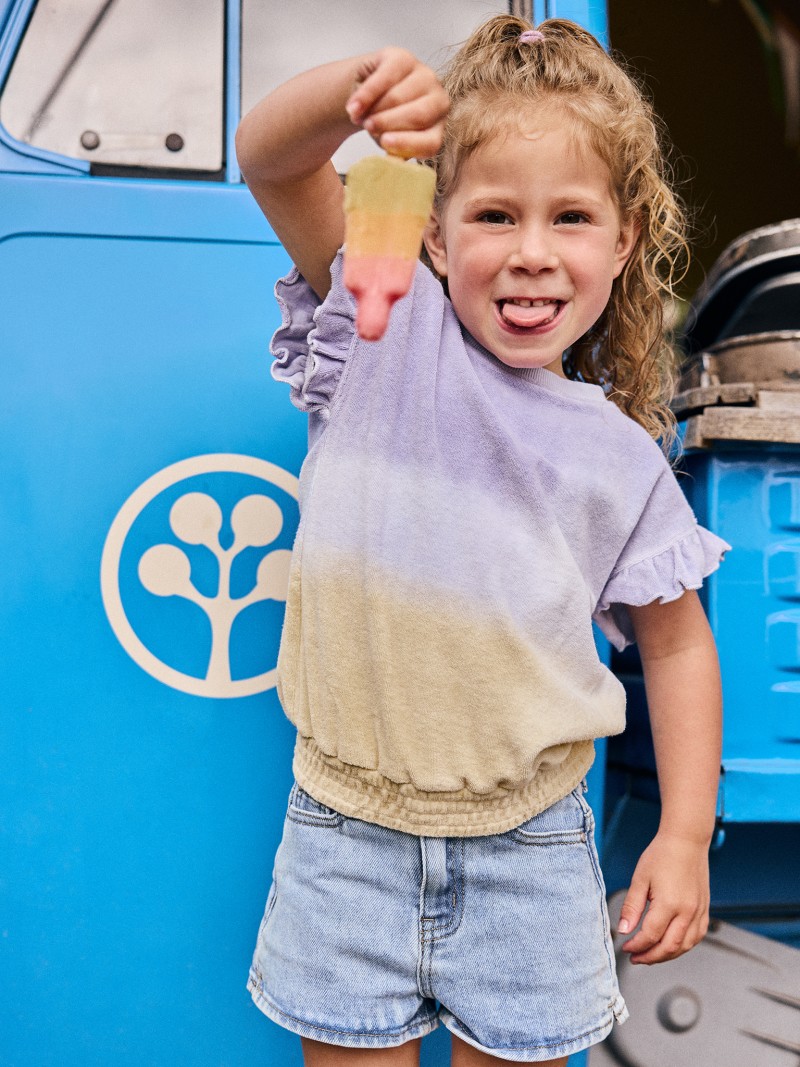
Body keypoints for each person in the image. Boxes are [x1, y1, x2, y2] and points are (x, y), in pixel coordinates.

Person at [236, 15, 728, 1067]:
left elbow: (678, 644)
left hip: (529, 853)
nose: (532, 252)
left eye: (571, 217)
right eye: (495, 214)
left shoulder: (621, 458)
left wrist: (685, 834)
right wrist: (356, 90)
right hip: (345, 837)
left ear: (623, 240)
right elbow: (269, 160)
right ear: (433, 233)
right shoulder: (380, 331)